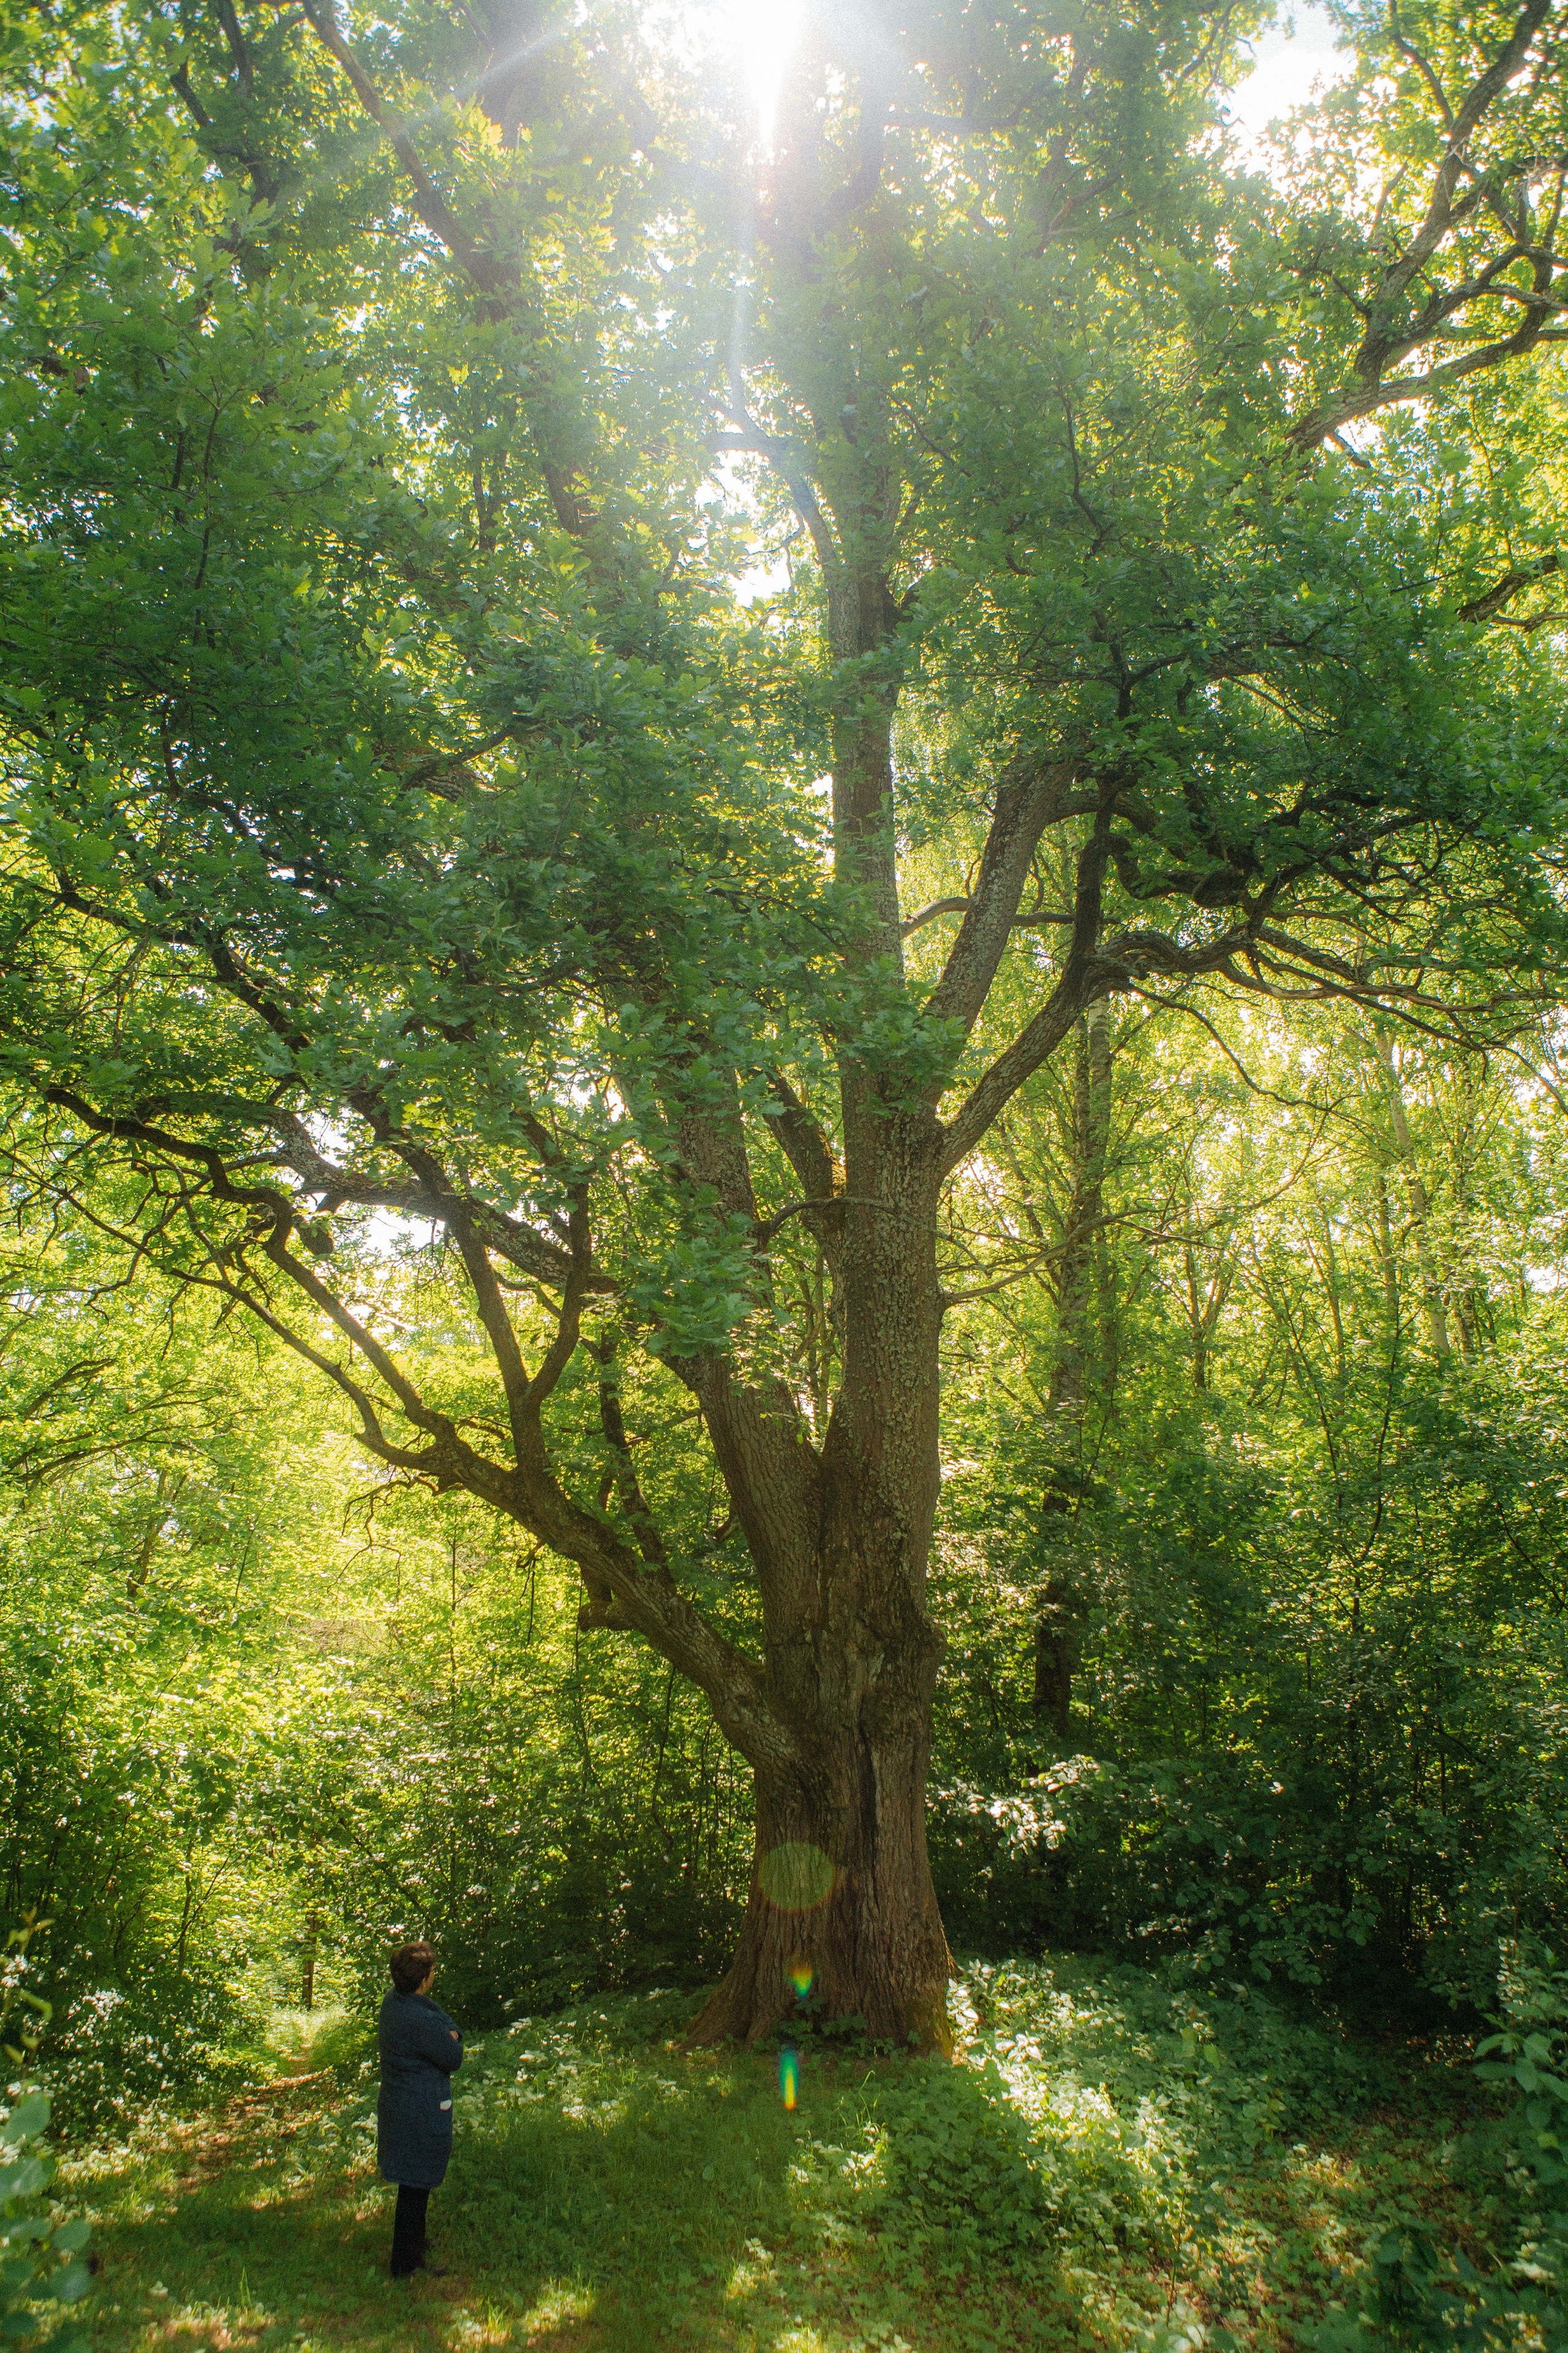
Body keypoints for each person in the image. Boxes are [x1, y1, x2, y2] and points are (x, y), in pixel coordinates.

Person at [377, 1939, 464, 2279]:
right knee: (415, 2184)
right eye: (431, 1972)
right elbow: (453, 2056)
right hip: (418, 2109)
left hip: (401, 2104)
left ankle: (413, 2248)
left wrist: (450, 2031)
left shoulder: (396, 2002)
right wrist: (451, 2036)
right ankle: (404, 2265)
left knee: (415, 2184)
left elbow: (448, 2021)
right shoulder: (418, 2018)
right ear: (423, 1978)